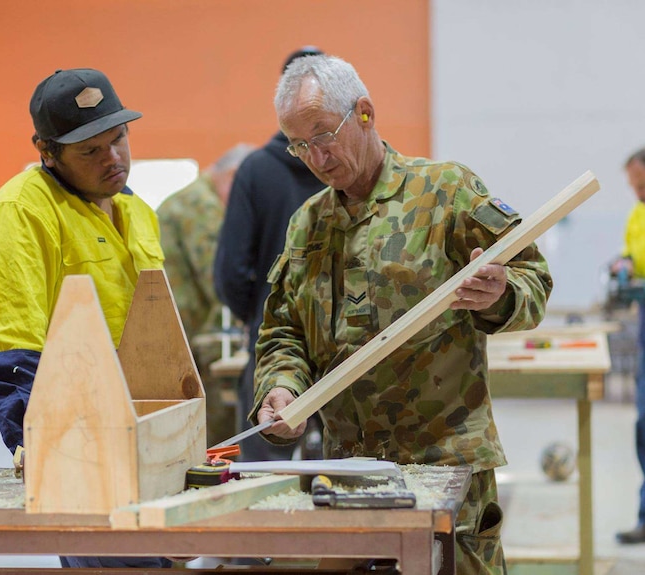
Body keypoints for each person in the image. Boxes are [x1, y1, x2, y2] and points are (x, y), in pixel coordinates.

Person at [250, 54, 553, 574]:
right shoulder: (307, 225)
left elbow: (533, 279)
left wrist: (499, 295)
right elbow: (284, 333)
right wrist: (281, 387)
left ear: (364, 113)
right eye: (298, 146)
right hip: (348, 472)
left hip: (447, 468)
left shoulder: (445, 192)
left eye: (323, 134)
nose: (316, 158)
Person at [0, 67, 170, 569]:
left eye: (119, 139)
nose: (114, 159)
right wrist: (33, 443)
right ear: (46, 149)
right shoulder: (23, 211)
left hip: (150, 428)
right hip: (79, 437)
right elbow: (11, 340)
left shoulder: (139, 211)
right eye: (90, 151)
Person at [214, 46, 326, 461]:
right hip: (345, 349)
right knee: (344, 479)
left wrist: (262, 315)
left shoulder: (256, 170)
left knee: (265, 479)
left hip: (271, 347)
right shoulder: (351, 167)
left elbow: (230, 271)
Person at [157, 143, 254, 446]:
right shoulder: (203, 205)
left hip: (179, 337)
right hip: (194, 341)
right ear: (234, 177)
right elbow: (221, 279)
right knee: (215, 444)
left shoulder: (189, 199)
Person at [613, 147, 645, 544]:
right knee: (644, 426)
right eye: (633, 185)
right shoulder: (638, 214)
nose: (636, 191)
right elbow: (633, 258)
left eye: (640, 182)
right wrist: (621, 266)